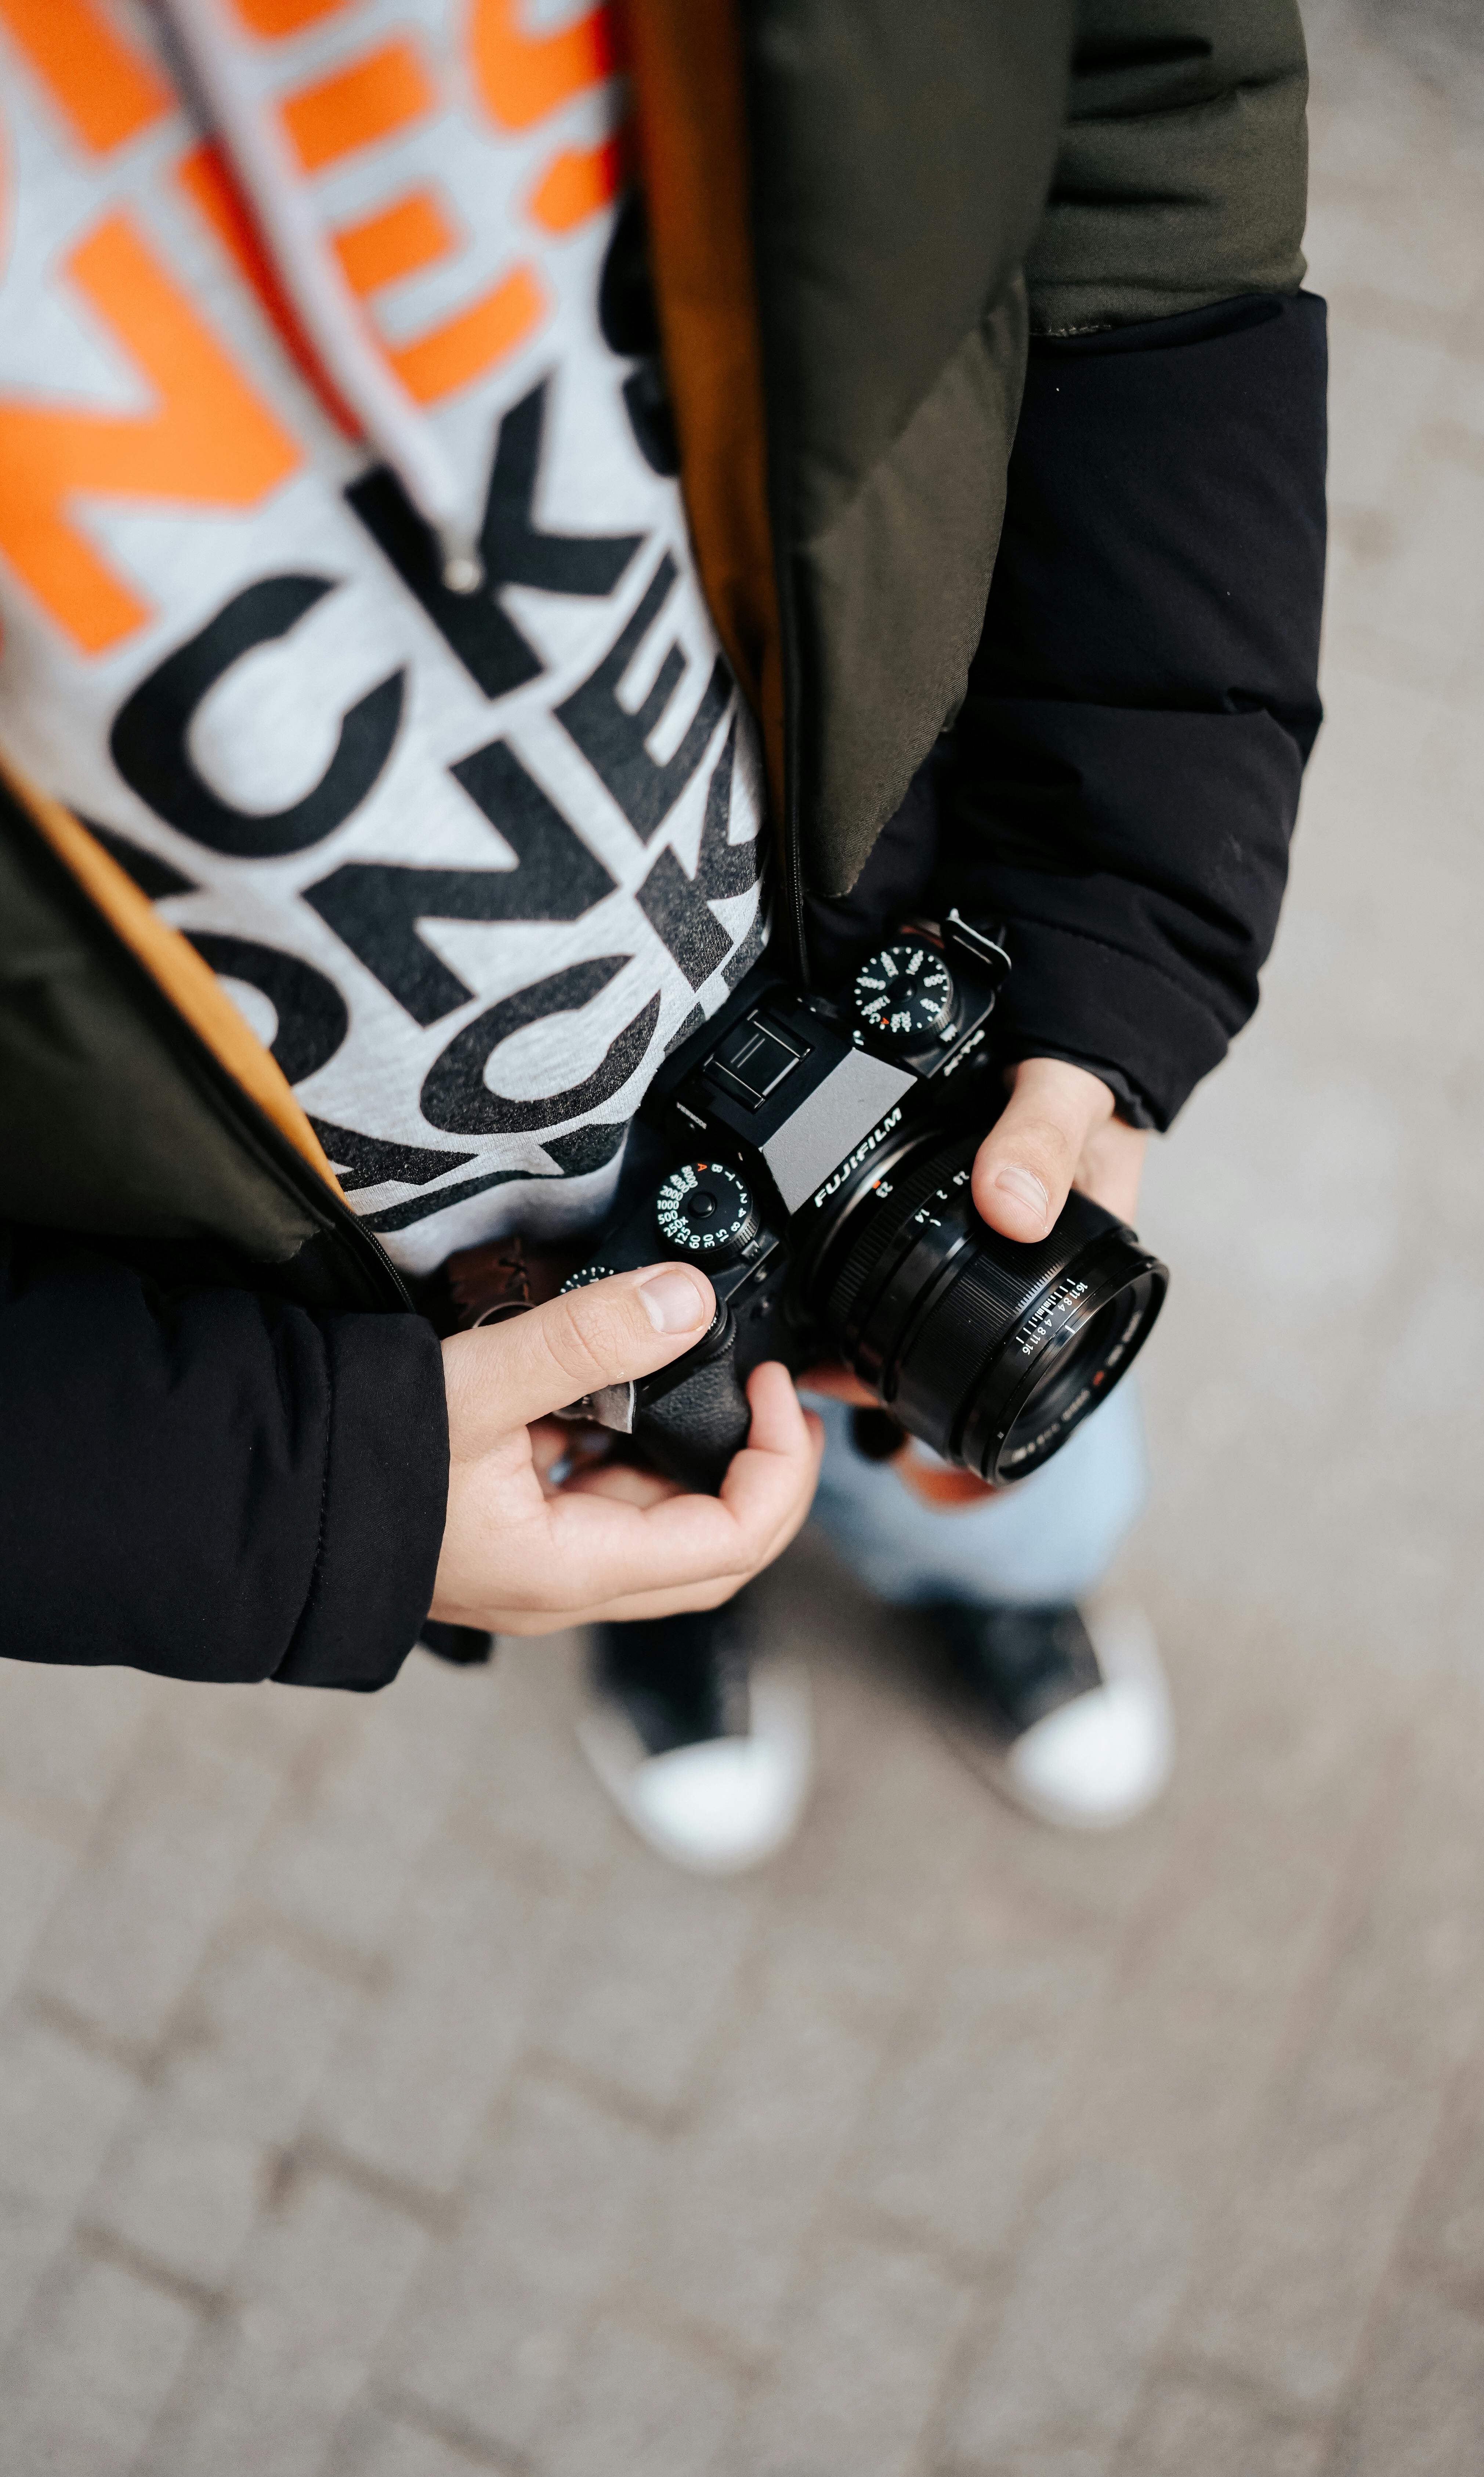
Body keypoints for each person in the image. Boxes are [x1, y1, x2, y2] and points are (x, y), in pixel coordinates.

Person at [0, 0, 1325, 1872]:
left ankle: (1007, 1579)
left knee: (1016, 1418)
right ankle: (680, 1610)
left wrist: (1122, 916)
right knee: (664, 1480)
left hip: (910, 999)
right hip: (445, 1312)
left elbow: (1153, 108)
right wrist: (315, 1491)